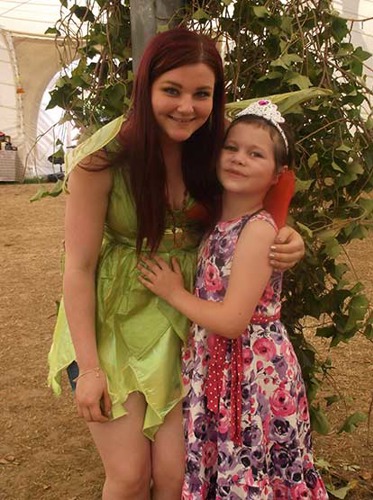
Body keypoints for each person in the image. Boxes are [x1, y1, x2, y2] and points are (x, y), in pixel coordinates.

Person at [47, 28, 305, 500]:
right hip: (111, 324)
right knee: (128, 477)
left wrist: (288, 235)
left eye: (201, 94)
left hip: (183, 326)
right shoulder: (102, 161)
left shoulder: (215, 150)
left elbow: (271, 185)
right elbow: (78, 268)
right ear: (146, 87)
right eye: (172, 90)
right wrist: (89, 369)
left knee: (173, 477)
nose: (186, 107)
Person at [139, 100, 328, 499]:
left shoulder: (258, 231)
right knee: (228, 467)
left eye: (255, 154)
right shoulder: (220, 220)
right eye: (232, 148)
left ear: (278, 174)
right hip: (223, 368)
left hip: (253, 374)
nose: (239, 159)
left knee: (251, 469)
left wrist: (175, 293)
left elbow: (231, 320)